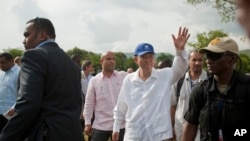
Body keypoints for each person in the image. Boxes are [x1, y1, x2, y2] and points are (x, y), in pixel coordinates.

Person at [0, 17, 84, 141]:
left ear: (42, 35)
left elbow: (28, 102)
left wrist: (6, 137)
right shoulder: (72, 65)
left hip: (46, 134)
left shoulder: (33, 56)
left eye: (27, 35)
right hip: (73, 134)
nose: (24, 41)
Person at [112, 27, 190, 141]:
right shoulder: (129, 80)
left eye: (151, 56)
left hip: (160, 135)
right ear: (135, 59)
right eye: (143, 56)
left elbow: (181, 67)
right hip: (135, 135)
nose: (148, 60)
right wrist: (116, 127)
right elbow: (121, 106)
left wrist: (180, 51)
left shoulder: (164, 75)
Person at [182, 37, 250, 141]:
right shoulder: (200, 91)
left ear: (233, 59)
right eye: (208, 56)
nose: (209, 61)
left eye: (215, 56)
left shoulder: (247, 87)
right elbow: (191, 126)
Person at [83, 51, 127, 141]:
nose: (112, 61)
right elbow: (89, 103)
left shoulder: (123, 77)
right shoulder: (94, 81)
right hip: (101, 125)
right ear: (101, 61)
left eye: (114, 59)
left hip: (121, 124)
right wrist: (87, 123)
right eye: (108, 59)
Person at [170, 50, 207, 141]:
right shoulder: (178, 80)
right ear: (188, 61)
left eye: (200, 60)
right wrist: (170, 128)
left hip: (201, 129)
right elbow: (173, 106)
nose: (197, 63)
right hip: (180, 128)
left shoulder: (210, 80)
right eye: (194, 60)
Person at [0, 52, 20, 133]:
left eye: (3, 62)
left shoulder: (19, 73)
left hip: (11, 114)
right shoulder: (1, 73)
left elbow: (23, 93)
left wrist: (15, 107)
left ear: (11, 61)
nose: (1, 65)